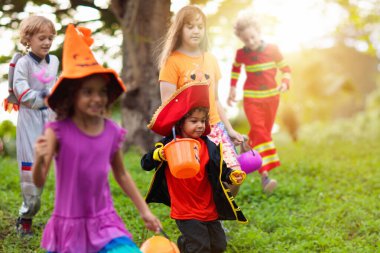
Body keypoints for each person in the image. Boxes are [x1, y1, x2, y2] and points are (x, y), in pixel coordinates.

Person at [32, 24, 161, 252]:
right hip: (68, 227)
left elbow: (121, 173)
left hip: (104, 223)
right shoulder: (57, 130)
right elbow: (39, 180)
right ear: (72, 95)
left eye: (101, 91)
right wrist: (39, 159)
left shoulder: (111, 131)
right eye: (88, 92)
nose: (97, 98)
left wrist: (145, 211)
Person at [142, 83, 248, 253]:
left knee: (219, 245)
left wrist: (231, 175)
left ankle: (184, 243)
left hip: (208, 206)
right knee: (201, 247)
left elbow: (220, 168)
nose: (200, 125)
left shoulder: (209, 146)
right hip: (185, 209)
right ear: (180, 122)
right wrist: (157, 155)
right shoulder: (169, 144)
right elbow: (145, 163)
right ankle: (190, 245)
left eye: (202, 121)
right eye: (194, 121)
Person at [156, 5, 244, 196]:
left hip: (215, 127)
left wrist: (229, 129)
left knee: (235, 176)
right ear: (180, 29)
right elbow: (167, 105)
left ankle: (217, 213)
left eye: (199, 26)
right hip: (190, 132)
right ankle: (209, 221)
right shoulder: (172, 62)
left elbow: (216, 100)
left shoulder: (211, 59)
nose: (196, 31)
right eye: (190, 26)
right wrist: (179, 136)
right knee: (202, 180)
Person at [227, 11, 292, 193]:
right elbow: (235, 70)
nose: (251, 42)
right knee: (259, 131)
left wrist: (285, 83)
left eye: (253, 37)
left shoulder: (273, 49)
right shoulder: (241, 53)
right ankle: (265, 177)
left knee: (261, 136)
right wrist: (232, 89)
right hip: (252, 98)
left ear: (259, 32)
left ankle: (245, 150)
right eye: (246, 40)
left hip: (272, 98)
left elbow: (286, 69)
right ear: (241, 39)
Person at [12, 15, 60, 235]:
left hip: (52, 122)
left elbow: (59, 88)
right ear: (28, 38)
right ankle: (26, 217)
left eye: (50, 37)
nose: (47, 42)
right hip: (30, 122)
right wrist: (48, 97)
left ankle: (71, 218)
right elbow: (21, 92)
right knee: (32, 174)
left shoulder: (55, 62)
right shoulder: (23, 63)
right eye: (42, 37)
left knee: (68, 169)